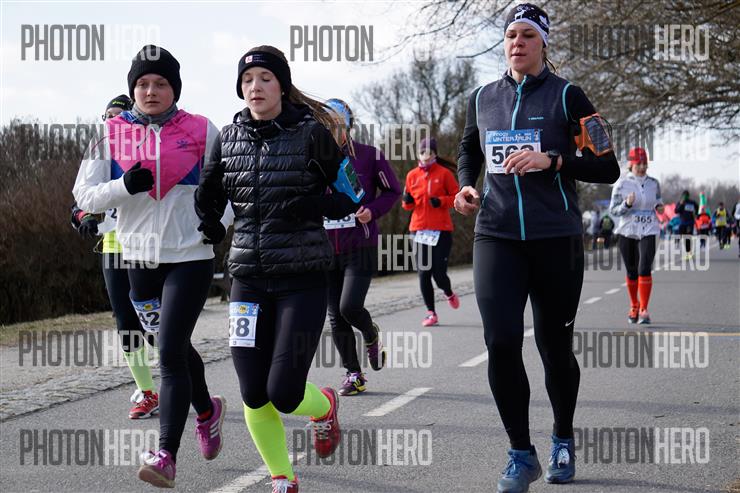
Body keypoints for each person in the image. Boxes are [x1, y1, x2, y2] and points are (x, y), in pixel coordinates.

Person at [454, 4, 620, 491]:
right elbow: (468, 149)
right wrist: (466, 185)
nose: (518, 43)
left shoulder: (568, 95)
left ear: (544, 43)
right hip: (496, 234)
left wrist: (554, 160)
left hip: (555, 240)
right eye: (511, 35)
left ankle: (562, 438)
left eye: (528, 35)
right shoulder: (482, 98)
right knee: (501, 342)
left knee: (554, 347)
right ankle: (520, 454)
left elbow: (607, 167)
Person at [194, 46, 359, 493]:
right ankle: (283, 477)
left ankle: (324, 406)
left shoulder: (312, 135)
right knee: (253, 391)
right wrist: (209, 218)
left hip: (301, 279)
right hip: (247, 277)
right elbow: (209, 195)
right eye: (248, 80)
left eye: (265, 78)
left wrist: (312, 203)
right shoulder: (228, 137)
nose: (256, 87)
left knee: (284, 392)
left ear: (282, 86)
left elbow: (351, 196)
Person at [73, 45, 232, 488]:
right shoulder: (110, 133)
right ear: (133, 89)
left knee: (169, 351)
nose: (150, 91)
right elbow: (83, 195)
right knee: (172, 346)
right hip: (138, 257)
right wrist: (123, 186)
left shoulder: (202, 129)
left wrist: (219, 224)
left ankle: (165, 455)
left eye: (160, 83)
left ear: (174, 88)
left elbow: (230, 189)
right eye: (142, 83)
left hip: (190, 255)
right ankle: (208, 411)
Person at [71, 94, 159, 420]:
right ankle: (147, 392)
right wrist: (85, 219)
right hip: (113, 247)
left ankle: (185, 380)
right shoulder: (100, 154)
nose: (112, 120)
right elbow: (77, 205)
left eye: (118, 115)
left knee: (156, 323)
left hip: (148, 245)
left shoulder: (143, 149)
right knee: (126, 323)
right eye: (107, 115)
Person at [323, 98, 402, 396]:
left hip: (361, 244)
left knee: (349, 307)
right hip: (326, 248)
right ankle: (354, 374)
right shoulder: (312, 159)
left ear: (348, 126)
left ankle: (370, 333)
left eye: (336, 125)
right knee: (335, 316)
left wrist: (372, 210)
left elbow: (393, 191)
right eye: (325, 125)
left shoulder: (369, 156)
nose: (331, 131)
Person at [401, 137, 461, 327]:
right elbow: (407, 205)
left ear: (435, 154)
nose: (426, 157)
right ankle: (431, 313)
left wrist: (441, 201)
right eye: (422, 153)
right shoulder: (412, 175)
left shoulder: (444, 174)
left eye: (429, 153)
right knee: (423, 272)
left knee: (439, 273)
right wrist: (407, 200)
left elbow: (457, 197)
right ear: (418, 155)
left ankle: (448, 292)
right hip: (418, 230)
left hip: (440, 230)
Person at [609, 147, 664, 324]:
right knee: (632, 271)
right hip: (628, 230)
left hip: (649, 229)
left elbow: (658, 201)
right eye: (638, 164)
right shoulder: (622, 184)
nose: (642, 167)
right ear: (631, 164)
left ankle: (644, 309)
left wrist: (659, 207)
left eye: (644, 164)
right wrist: (626, 204)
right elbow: (613, 210)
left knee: (644, 268)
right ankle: (634, 304)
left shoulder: (654, 183)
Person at [675, 190, 699, 259]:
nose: (685, 197)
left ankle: (689, 253)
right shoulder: (680, 202)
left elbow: (697, 207)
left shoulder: (692, 202)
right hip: (682, 222)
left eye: (686, 195)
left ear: (688, 196)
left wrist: (696, 214)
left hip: (690, 223)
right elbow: (676, 211)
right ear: (682, 196)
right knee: (679, 233)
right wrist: (681, 204)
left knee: (688, 237)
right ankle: (677, 242)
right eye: (684, 195)